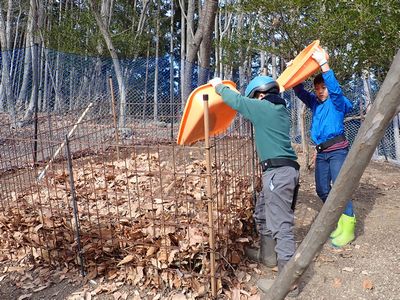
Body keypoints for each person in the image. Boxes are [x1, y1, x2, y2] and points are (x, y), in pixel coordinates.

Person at [209, 76, 300, 295]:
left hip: (278, 174)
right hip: (278, 172)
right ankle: (268, 256)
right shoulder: (278, 110)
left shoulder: (265, 108)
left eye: (255, 98)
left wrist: (218, 86)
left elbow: (237, 101)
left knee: (281, 226)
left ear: (260, 94)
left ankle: (288, 284)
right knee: (261, 213)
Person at [293, 48, 356, 247]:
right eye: (317, 87)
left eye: (323, 87)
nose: (320, 91)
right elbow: (300, 92)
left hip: (338, 150)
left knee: (339, 188)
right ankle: (338, 221)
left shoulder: (337, 102)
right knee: (322, 190)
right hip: (321, 153)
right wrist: (294, 73)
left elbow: (335, 90)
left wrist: (323, 64)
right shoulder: (315, 103)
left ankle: (349, 228)